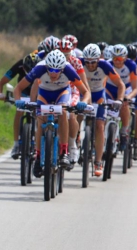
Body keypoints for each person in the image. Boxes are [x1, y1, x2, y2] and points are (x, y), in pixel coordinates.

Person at [13, 50, 91, 178]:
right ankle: (38, 157)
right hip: (44, 93)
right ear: (46, 67)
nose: (53, 74)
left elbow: (85, 92)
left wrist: (83, 102)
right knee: (41, 119)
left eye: (57, 71)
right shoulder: (39, 69)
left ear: (62, 68)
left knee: (63, 111)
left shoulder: (68, 70)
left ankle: (64, 152)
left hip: (62, 93)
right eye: (50, 70)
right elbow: (18, 89)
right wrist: (18, 102)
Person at [81, 43, 125, 176]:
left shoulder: (105, 65)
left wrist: (120, 100)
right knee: (75, 115)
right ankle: (75, 141)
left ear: (98, 59)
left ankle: (98, 162)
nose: (90, 65)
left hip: (99, 95)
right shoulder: (79, 64)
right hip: (84, 94)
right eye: (87, 62)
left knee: (100, 126)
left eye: (93, 62)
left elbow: (120, 84)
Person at [0, 52, 38, 159]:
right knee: (19, 111)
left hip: (38, 93)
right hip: (23, 92)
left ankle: (39, 144)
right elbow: (1, 82)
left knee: (40, 114)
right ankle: (16, 143)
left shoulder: (42, 68)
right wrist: (0, 94)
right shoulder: (19, 65)